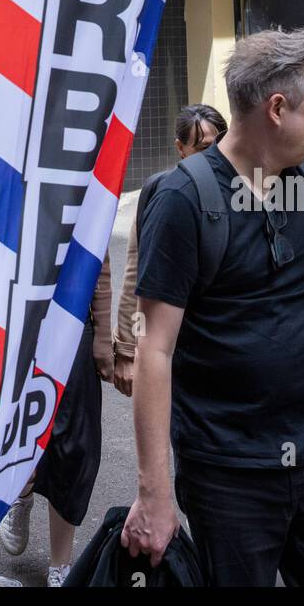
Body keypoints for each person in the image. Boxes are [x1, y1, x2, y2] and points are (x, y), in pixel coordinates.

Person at [121, 28, 304, 587]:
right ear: (277, 108)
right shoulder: (183, 200)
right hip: (228, 475)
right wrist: (155, 493)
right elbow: (156, 348)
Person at [0, 252, 113, 587]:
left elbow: (98, 258)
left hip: (74, 318)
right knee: (21, 427)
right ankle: (21, 491)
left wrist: (104, 335)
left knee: (75, 444)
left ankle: (60, 565)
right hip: (16, 311)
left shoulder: (87, 196)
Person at [113, 104, 227, 398]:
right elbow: (137, 272)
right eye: (203, 148)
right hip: (180, 346)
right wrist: (127, 349)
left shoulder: (245, 191)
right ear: (181, 148)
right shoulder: (166, 194)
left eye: (220, 145)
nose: (214, 156)